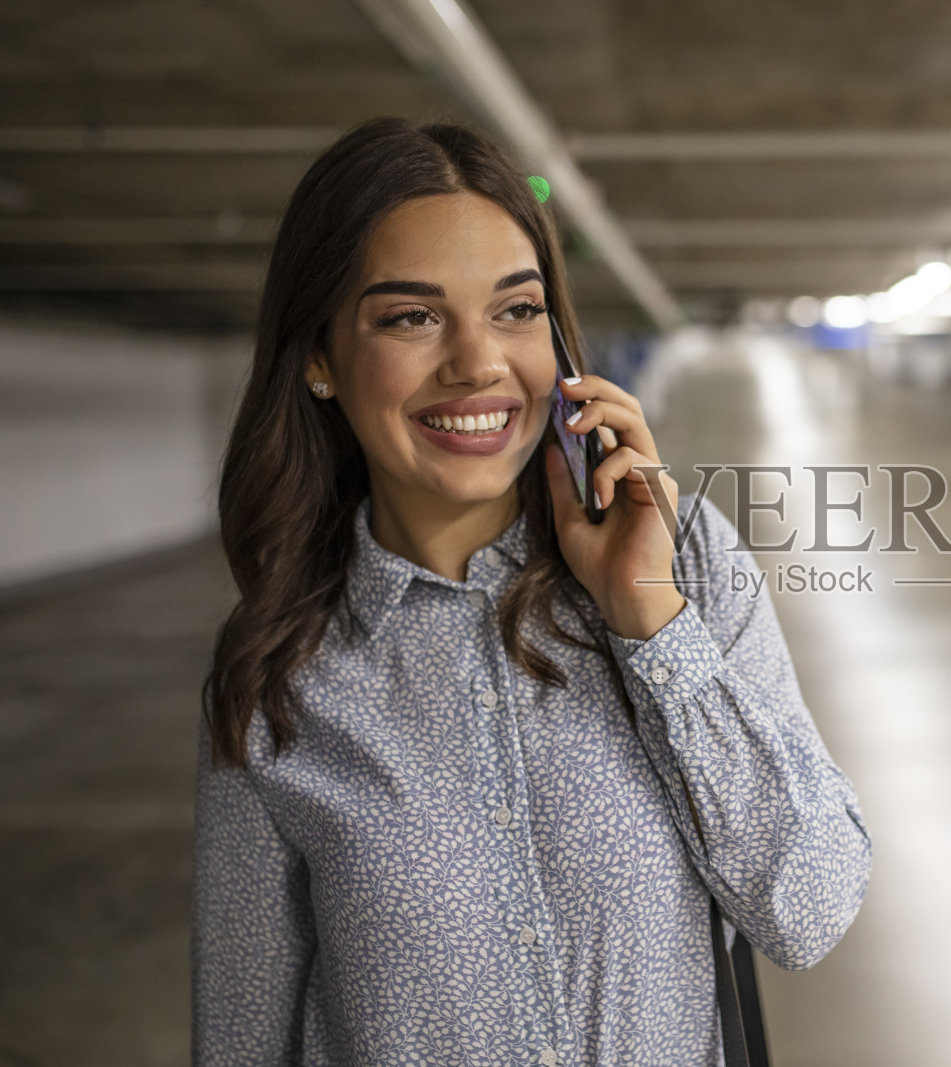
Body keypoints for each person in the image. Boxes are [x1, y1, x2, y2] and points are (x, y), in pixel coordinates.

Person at [190, 117, 873, 1066]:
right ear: (317, 357)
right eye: (411, 316)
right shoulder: (279, 672)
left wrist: (651, 621)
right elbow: (243, 1032)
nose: (479, 363)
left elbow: (811, 905)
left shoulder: (691, 565)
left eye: (515, 310)